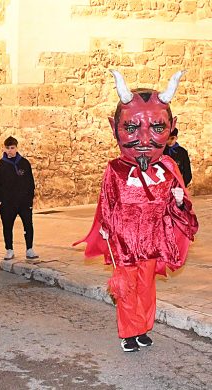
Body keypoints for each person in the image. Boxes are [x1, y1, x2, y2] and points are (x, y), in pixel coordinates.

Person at [74, 70, 198, 352]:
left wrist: (179, 201)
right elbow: (107, 203)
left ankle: (143, 328)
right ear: (114, 127)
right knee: (126, 287)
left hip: (153, 240)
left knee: (147, 287)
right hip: (125, 241)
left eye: (156, 128)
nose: (143, 139)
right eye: (131, 128)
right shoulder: (115, 169)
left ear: (170, 127)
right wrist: (108, 232)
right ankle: (128, 332)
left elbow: (180, 216)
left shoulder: (169, 169)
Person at [0, 136, 38, 261]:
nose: (10, 151)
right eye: (8, 148)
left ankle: (29, 249)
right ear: (4, 148)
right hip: (7, 203)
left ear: (16, 148)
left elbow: (30, 183)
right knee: (7, 226)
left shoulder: (24, 163)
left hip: (23, 202)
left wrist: (29, 200)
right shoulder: (0, 165)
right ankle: (9, 249)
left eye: (12, 148)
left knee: (28, 225)